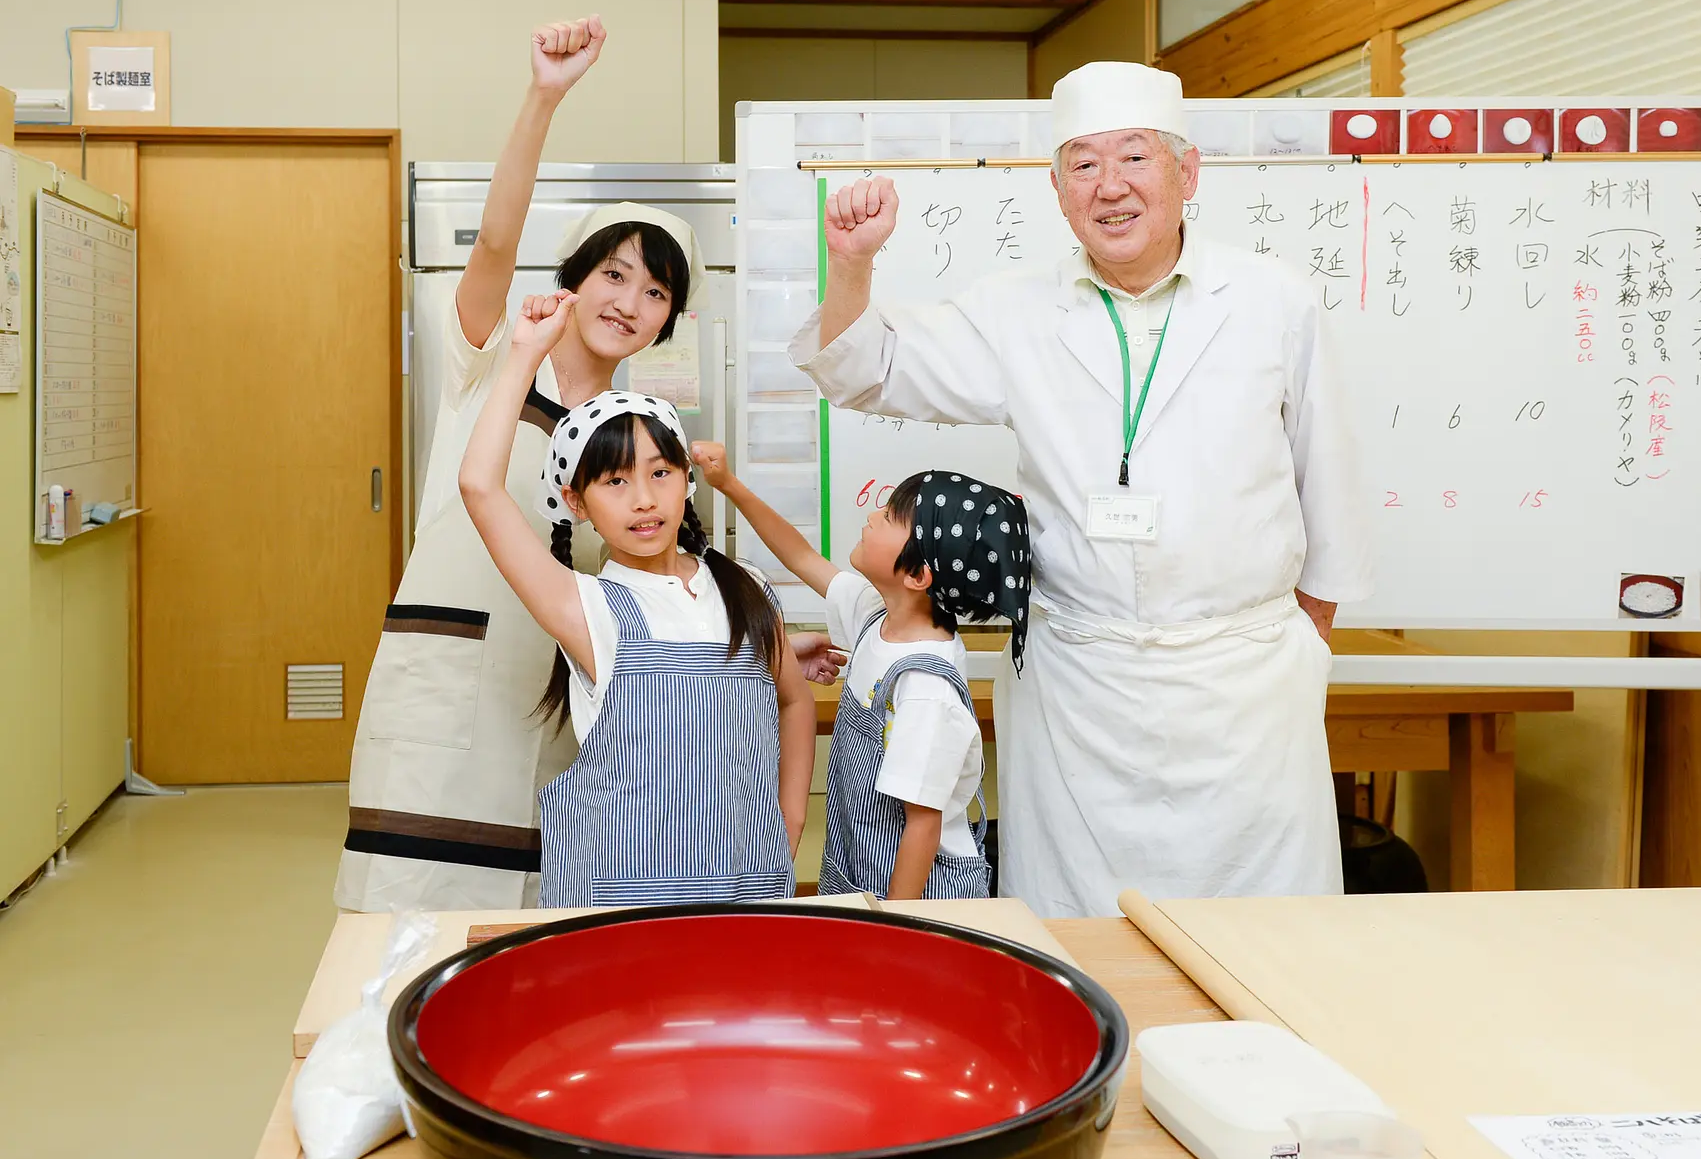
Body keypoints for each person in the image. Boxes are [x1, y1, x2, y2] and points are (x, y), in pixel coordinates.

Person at [793, 61, 1373, 917]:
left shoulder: (1274, 301)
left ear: (1187, 172)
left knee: (1261, 931)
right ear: (1058, 190)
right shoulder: (1015, 309)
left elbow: (1332, 488)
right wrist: (852, 264)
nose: (1111, 186)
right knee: (1075, 937)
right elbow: (863, 370)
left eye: (1135, 157)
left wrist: (1298, 648)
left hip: (1245, 691)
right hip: (1077, 691)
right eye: (1085, 164)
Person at [335, 16, 835, 911]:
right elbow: (495, 242)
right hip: (449, 684)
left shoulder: (627, 436)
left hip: (565, 702)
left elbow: (639, 583)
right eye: (615, 275)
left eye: (656, 292)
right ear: (575, 277)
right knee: (411, 908)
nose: (630, 302)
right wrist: (544, 95)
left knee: (539, 917)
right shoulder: (493, 358)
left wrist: (736, 649)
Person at [461, 290, 814, 907]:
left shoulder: (745, 589)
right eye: (615, 481)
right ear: (577, 503)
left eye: (660, 473)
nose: (644, 499)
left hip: (748, 892)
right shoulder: (587, 607)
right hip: (619, 902)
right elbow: (479, 486)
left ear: (686, 478)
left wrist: (789, 824)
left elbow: (795, 699)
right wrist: (523, 355)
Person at [695, 444, 1029, 900]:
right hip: (858, 873)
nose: (873, 515)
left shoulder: (925, 689)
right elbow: (801, 556)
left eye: (890, 517)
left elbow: (922, 826)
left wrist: (894, 927)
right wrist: (729, 485)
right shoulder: (878, 617)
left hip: (917, 898)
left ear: (918, 576)